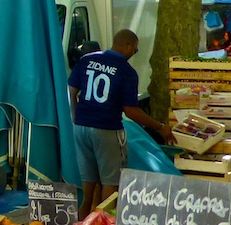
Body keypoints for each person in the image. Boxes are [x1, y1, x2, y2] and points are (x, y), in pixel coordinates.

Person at [68, 29, 173, 214]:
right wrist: (160, 127)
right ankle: (104, 224)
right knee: (111, 182)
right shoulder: (127, 71)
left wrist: (76, 115)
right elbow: (130, 111)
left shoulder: (87, 60)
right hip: (107, 129)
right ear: (128, 46)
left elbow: (71, 91)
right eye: (135, 49)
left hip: (81, 128)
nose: (134, 53)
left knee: (87, 182)